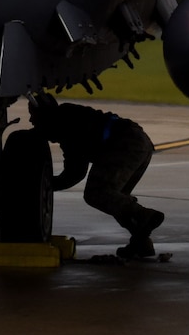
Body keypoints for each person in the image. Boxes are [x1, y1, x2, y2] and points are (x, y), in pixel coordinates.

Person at [28, 94, 165, 258]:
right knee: (116, 199)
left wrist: (45, 185)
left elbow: (75, 173)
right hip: (139, 142)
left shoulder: (66, 126)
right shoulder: (67, 116)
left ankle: (146, 216)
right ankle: (141, 243)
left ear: (45, 117)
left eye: (34, 117)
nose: (31, 122)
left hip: (126, 144)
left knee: (97, 193)